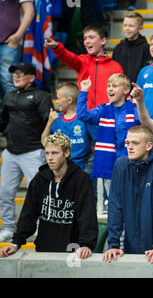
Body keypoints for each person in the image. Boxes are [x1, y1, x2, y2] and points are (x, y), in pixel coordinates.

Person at [0, 133, 98, 258]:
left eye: (55, 153)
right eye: (47, 153)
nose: (50, 158)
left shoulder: (81, 180)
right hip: (44, 249)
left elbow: (87, 216)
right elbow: (28, 213)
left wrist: (86, 244)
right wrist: (16, 242)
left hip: (73, 251)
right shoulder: (40, 179)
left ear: (66, 152)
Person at [102, 125, 153, 262]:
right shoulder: (121, 165)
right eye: (128, 143)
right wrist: (113, 244)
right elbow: (115, 207)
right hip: (132, 248)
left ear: (149, 145)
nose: (130, 147)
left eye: (135, 143)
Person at [0, 62, 53, 242]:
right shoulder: (8, 96)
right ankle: (8, 227)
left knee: (38, 193)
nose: (16, 77)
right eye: (14, 74)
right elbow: (2, 121)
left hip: (34, 151)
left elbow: (48, 120)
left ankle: (41, 228)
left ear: (32, 77)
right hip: (11, 152)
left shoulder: (42, 95)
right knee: (5, 193)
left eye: (21, 74)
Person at [76, 74, 141, 214]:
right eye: (108, 86)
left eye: (114, 86)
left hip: (131, 162)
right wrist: (84, 91)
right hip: (109, 162)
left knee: (132, 202)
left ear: (125, 90)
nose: (110, 89)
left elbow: (147, 129)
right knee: (114, 202)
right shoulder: (103, 110)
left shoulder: (135, 110)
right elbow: (82, 115)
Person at [45, 23, 124, 110]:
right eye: (85, 38)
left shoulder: (115, 66)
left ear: (103, 41)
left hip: (108, 117)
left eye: (91, 37)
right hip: (85, 116)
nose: (86, 41)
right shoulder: (82, 61)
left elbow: (121, 94)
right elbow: (68, 57)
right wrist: (57, 47)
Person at [41, 82, 96, 171]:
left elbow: (97, 141)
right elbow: (44, 141)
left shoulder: (84, 118)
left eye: (58, 98)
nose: (57, 101)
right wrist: (50, 122)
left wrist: (88, 160)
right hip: (61, 168)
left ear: (69, 100)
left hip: (82, 167)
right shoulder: (56, 118)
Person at [0, 0, 34, 99]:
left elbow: (29, 11)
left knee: (8, 80)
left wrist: (18, 35)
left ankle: (13, 117)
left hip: (10, 41)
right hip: (10, 41)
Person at [112, 11, 151, 84]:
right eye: (125, 25)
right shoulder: (118, 48)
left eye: (131, 26)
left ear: (140, 28)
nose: (127, 28)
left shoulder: (146, 48)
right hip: (120, 91)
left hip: (138, 91)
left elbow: (147, 73)